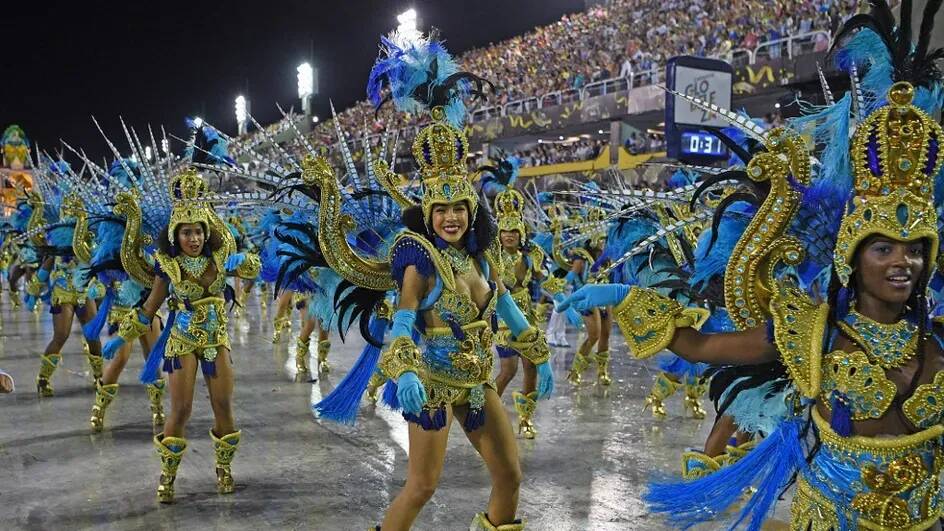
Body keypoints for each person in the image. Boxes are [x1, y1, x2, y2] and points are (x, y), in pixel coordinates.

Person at [559, 3, 944, 527]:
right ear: (853, 256)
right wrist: (622, 296)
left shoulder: (936, 338)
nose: (905, 262)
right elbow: (698, 346)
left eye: (916, 248)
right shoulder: (812, 330)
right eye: (885, 248)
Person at [104, 168, 260, 503]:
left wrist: (247, 263)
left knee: (223, 405)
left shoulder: (221, 258)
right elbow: (149, 308)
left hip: (216, 340)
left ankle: (223, 468)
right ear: (176, 235)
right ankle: (169, 474)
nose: (193, 239)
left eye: (198, 232)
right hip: (182, 342)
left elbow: (253, 268)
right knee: (182, 409)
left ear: (206, 233)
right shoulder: (168, 265)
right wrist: (122, 336)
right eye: (186, 233)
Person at [492, 189, 547, 439]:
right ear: (499, 233)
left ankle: (525, 419)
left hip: (527, 314)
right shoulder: (492, 258)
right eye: (505, 231)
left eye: (514, 231)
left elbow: (543, 280)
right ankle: (486, 412)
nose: (509, 236)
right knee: (508, 369)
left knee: (531, 365)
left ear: (521, 232)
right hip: (504, 314)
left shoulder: (531, 256)